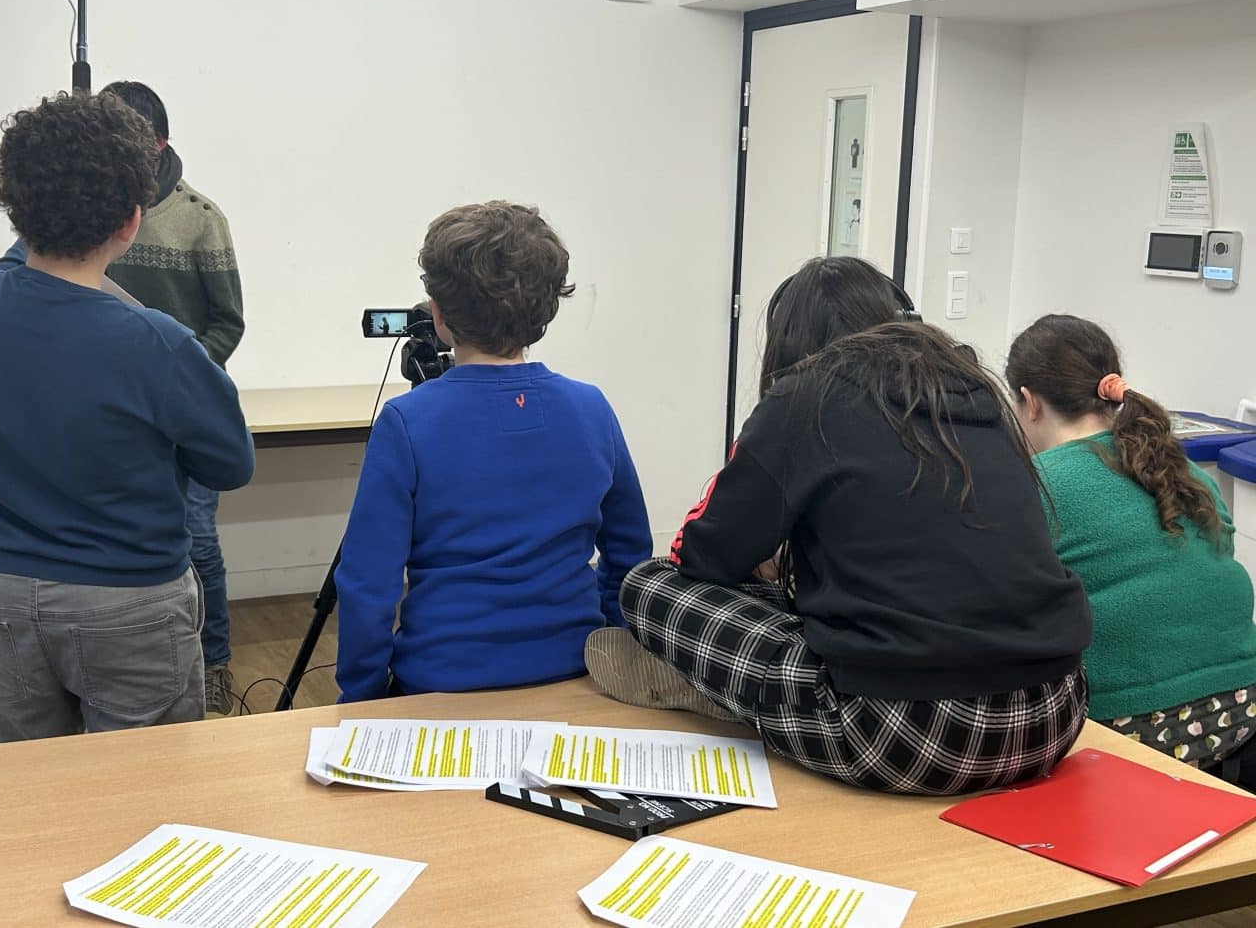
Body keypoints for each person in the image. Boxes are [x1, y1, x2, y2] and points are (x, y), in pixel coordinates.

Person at [587, 257, 1091, 795]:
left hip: (911, 734)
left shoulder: (806, 395)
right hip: (1055, 711)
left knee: (649, 584)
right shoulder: (979, 393)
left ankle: (711, 687)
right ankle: (734, 686)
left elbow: (705, 557)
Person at [0, 92, 255, 744]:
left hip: (2, 595)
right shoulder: (157, 342)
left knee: (21, 799)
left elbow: (21, 268)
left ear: (14, 204)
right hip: (128, 600)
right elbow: (231, 462)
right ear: (132, 220)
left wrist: (45, 214)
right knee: (147, 801)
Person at [335, 201, 653, 700]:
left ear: (438, 315)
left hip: (441, 682)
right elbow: (631, 554)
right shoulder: (592, 409)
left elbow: (366, 586)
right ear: (546, 309)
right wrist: (609, 639)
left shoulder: (407, 423)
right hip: (577, 675)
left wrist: (361, 698)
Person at [1006, 315, 1256, 773]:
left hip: (1130, 725)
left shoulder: (1035, 486)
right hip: (1243, 707)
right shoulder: (1184, 469)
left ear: (1029, 402)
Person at [100, 81, 246, 714]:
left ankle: (213, 666)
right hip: (105, 420)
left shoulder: (201, 219)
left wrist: (175, 380)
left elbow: (227, 323)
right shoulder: (88, 215)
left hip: (181, 418)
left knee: (198, 542)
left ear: (157, 145)